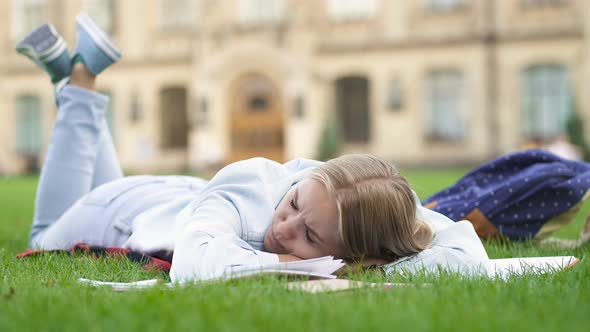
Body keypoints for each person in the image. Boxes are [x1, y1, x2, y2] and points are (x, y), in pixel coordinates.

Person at [17, 14, 490, 282]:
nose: (285, 229)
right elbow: (198, 268)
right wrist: (312, 263)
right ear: (306, 179)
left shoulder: (357, 199)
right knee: (42, 236)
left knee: (101, 188)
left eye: (310, 238)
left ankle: (65, 70)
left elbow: (466, 253)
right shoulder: (255, 180)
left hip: (170, 197)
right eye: (293, 205)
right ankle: (79, 80)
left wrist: (377, 263)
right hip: (119, 212)